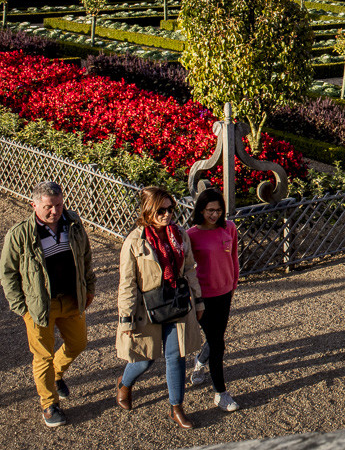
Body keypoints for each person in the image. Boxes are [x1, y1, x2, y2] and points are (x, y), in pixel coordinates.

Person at [1, 180, 95, 428]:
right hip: (39, 304)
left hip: (71, 299)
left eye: (59, 205)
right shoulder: (20, 234)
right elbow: (8, 272)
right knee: (42, 355)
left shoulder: (73, 223)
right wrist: (20, 306)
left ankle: (56, 374)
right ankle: (49, 404)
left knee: (78, 343)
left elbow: (85, 256)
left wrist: (89, 287)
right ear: (34, 205)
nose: (55, 211)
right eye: (49, 207)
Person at [116, 186, 205, 428]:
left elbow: (189, 269)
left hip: (177, 301)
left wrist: (198, 300)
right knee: (144, 359)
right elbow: (127, 283)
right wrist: (126, 318)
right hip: (147, 307)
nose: (167, 214)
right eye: (161, 211)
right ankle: (125, 383)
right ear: (148, 212)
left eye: (170, 209)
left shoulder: (179, 234)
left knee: (176, 356)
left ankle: (176, 408)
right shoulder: (134, 241)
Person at [187, 188, 240, 412]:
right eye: (210, 210)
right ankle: (221, 393)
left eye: (218, 210)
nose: (214, 214)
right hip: (203, 296)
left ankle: (200, 362)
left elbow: (234, 256)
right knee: (218, 343)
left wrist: (234, 284)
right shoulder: (191, 235)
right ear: (201, 210)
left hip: (225, 292)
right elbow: (186, 267)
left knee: (217, 336)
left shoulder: (229, 228)